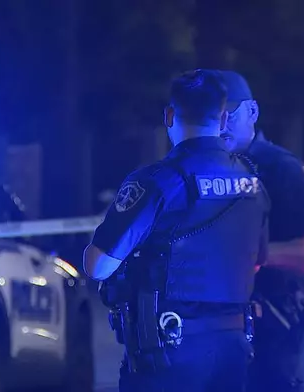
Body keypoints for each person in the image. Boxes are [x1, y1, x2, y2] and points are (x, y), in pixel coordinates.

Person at [84, 69, 270, 392]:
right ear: (223, 118)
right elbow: (258, 258)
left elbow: (98, 266)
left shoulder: (156, 181)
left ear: (169, 115)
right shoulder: (252, 181)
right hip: (233, 349)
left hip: (168, 353)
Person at [218, 70, 304, 392]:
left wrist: (253, 255)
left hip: (270, 324)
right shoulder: (199, 168)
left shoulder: (280, 168)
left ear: (251, 112)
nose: (221, 124)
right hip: (208, 328)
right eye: (214, 115)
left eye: (230, 113)